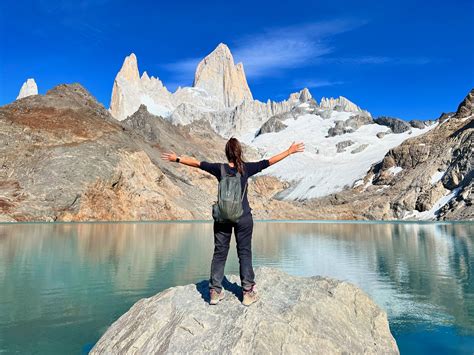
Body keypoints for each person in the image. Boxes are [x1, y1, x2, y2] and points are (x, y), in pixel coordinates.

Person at [161, 138, 304, 306]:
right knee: (244, 253)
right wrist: (289, 151)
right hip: (243, 218)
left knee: (220, 253)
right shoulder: (246, 169)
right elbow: (269, 162)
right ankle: (247, 293)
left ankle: (214, 292)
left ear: (226, 153)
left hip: (223, 218)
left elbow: (197, 163)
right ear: (239, 152)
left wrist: (176, 158)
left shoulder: (219, 169)